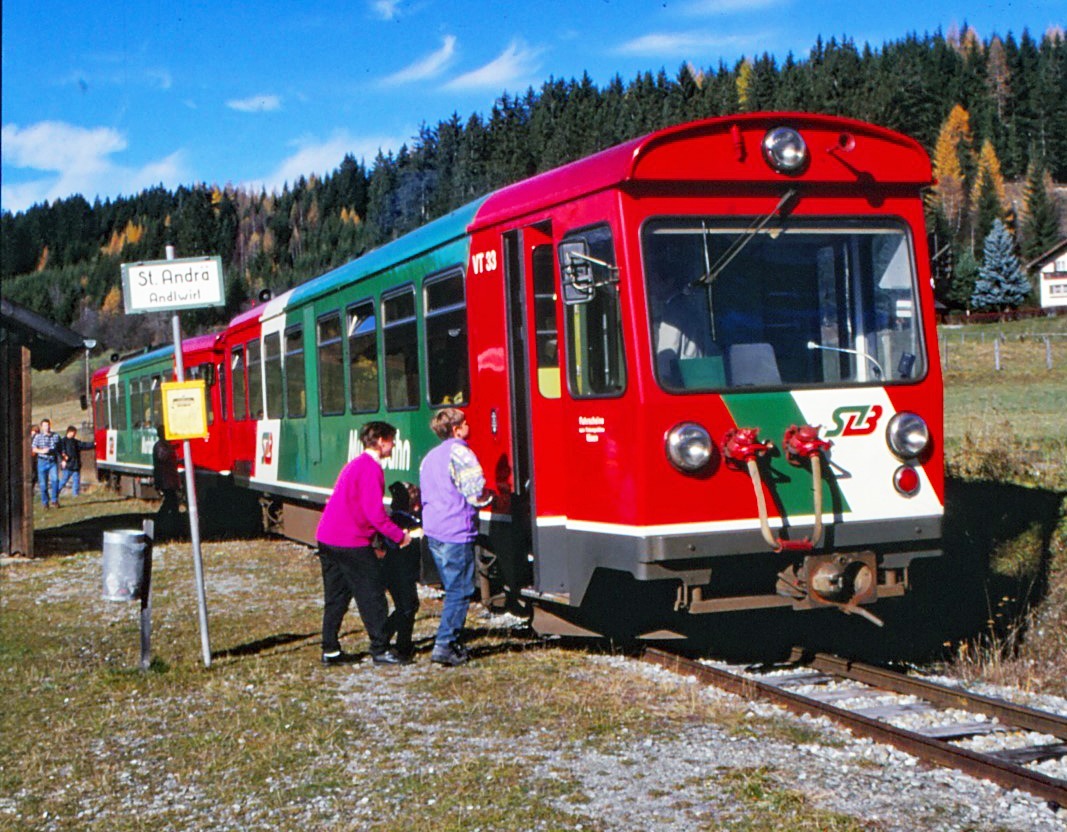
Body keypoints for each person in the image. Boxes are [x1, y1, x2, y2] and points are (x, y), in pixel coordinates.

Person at [315, 421, 412, 667]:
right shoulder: (371, 468)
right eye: (391, 440)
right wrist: (400, 536)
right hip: (350, 540)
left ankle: (330, 649)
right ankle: (380, 648)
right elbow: (375, 514)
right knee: (372, 595)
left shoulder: (355, 464)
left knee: (336, 596)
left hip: (328, 536)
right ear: (380, 441)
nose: (393, 445)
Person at [419, 408, 493, 667]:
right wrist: (492, 496)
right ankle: (445, 644)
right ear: (456, 429)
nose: (468, 425)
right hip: (455, 530)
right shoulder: (461, 453)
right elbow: (475, 491)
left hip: (434, 530)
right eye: (465, 422)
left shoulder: (430, 457)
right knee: (459, 590)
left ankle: (449, 641)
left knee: (451, 587)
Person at [378, 482, 422, 662]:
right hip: (400, 571)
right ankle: (401, 646)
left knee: (407, 605)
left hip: (392, 570)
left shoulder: (392, 518)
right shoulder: (408, 522)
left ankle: (384, 635)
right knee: (407, 607)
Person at [152, 426, 182, 539]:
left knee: (171, 502)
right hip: (165, 479)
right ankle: (163, 523)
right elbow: (163, 457)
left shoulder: (163, 445)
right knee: (171, 502)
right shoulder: (160, 446)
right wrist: (172, 452)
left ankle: (171, 524)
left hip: (168, 479)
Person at [57, 425, 95, 499]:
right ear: (69, 432)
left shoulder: (75, 442)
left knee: (76, 482)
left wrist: (94, 444)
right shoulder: (63, 442)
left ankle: (75, 496)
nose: (74, 434)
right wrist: (63, 459)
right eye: (74, 433)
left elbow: (84, 445)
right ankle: (55, 493)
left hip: (76, 466)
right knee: (63, 481)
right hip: (67, 466)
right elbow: (59, 452)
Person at [31, 419, 61, 509]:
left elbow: (60, 447)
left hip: (52, 461)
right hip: (42, 461)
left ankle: (54, 500)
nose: (46, 427)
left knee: (55, 480)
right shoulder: (38, 437)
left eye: (48, 425)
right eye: (44, 426)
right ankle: (45, 502)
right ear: (42, 427)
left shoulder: (55, 436)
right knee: (43, 484)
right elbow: (33, 448)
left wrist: (62, 458)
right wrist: (42, 451)